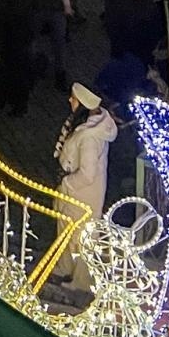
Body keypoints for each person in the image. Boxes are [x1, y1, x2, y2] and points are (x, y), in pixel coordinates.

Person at [54, 83, 117, 289]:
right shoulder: (89, 128)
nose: (70, 101)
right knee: (67, 231)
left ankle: (80, 281)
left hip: (81, 194)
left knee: (80, 236)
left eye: (73, 98)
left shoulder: (90, 137)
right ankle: (64, 268)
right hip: (78, 192)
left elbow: (87, 174)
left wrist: (67, 183)